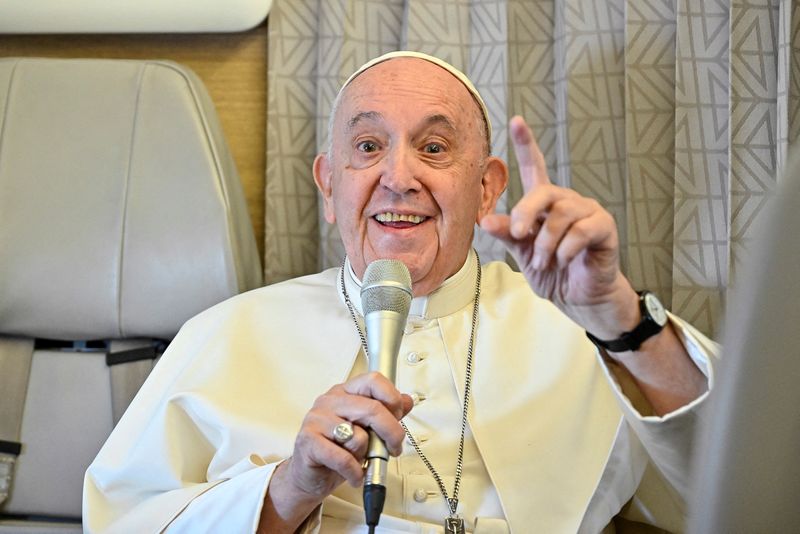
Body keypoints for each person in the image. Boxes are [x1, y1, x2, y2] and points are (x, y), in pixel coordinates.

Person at [83, 51, 716, 533]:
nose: (398, 177)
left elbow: (742, 488)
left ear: (488, 187)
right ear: (330, 187)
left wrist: (620, 321)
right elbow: (122, 519)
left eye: (434, 148)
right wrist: (288, 488)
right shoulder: (225, 334)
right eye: (367, 147)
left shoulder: (583, 326)